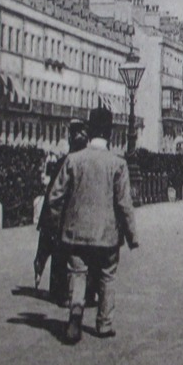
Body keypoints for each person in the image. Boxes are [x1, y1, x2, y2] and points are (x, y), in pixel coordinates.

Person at [45, 106, 138, 345]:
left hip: (76, 233)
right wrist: (132, 235)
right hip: (107, 234)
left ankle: (75, 314)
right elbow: (124, 203)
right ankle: (104, 324)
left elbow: (54, 197)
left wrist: (56, 225)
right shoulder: (117, 164)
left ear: (88, 131)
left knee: (78, 273)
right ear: (109, 132)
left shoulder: (73, 160)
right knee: (107, 276)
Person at [36, 119, 88, 305]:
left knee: (62, 253)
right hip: (74, 216)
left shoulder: (63, 162)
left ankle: (62, 293)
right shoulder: (78, 162)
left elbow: (52, 194)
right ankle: (76, 294)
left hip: (63, 217)